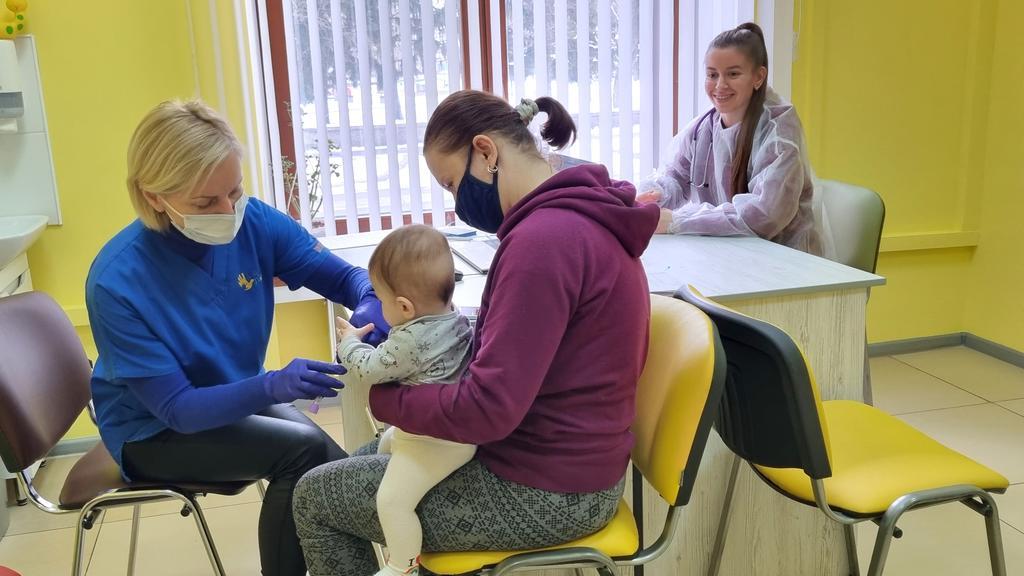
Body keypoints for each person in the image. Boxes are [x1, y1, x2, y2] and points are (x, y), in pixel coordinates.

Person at [292, 91, 660, 576]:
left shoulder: (543, 243)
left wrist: (383, 399)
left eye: (451, 184)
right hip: (568, 467)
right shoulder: (573, 219)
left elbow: (487, 410)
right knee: (347, 468)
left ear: (485, 152)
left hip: (548, 491)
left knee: (315, 498)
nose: (456, 201)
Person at [85, 99, 389, 576]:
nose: (229, 211)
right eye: (206, 203)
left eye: (235, 191)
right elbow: (180, 411)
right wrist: (272, 386)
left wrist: (371, 301)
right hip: (154, 430)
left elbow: (345, 278)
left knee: (334, 470)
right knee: (304, 456)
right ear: (154, 197)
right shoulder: (116, 282)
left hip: (232, 395)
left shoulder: (254, 222)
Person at [333, 224, 474, 576]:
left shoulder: (411, 342)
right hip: (445, 432)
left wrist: (349, 342)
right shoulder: (453, 317)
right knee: (386, 445)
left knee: (391, 501)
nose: (379, 308)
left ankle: (402, 564)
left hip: (434, 444)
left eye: (381, 300)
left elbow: (369, 369)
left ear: (405, 307)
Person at [637, 22, 829, 257]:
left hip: (788, 264)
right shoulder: (703, 128)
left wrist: (677, 221)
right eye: (712, 74)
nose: (720, 85)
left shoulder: (779, 132)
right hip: (732, 256)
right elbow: (675, 176)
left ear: (758, 76)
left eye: (733, 74)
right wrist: (654, 197)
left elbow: (765, 215)